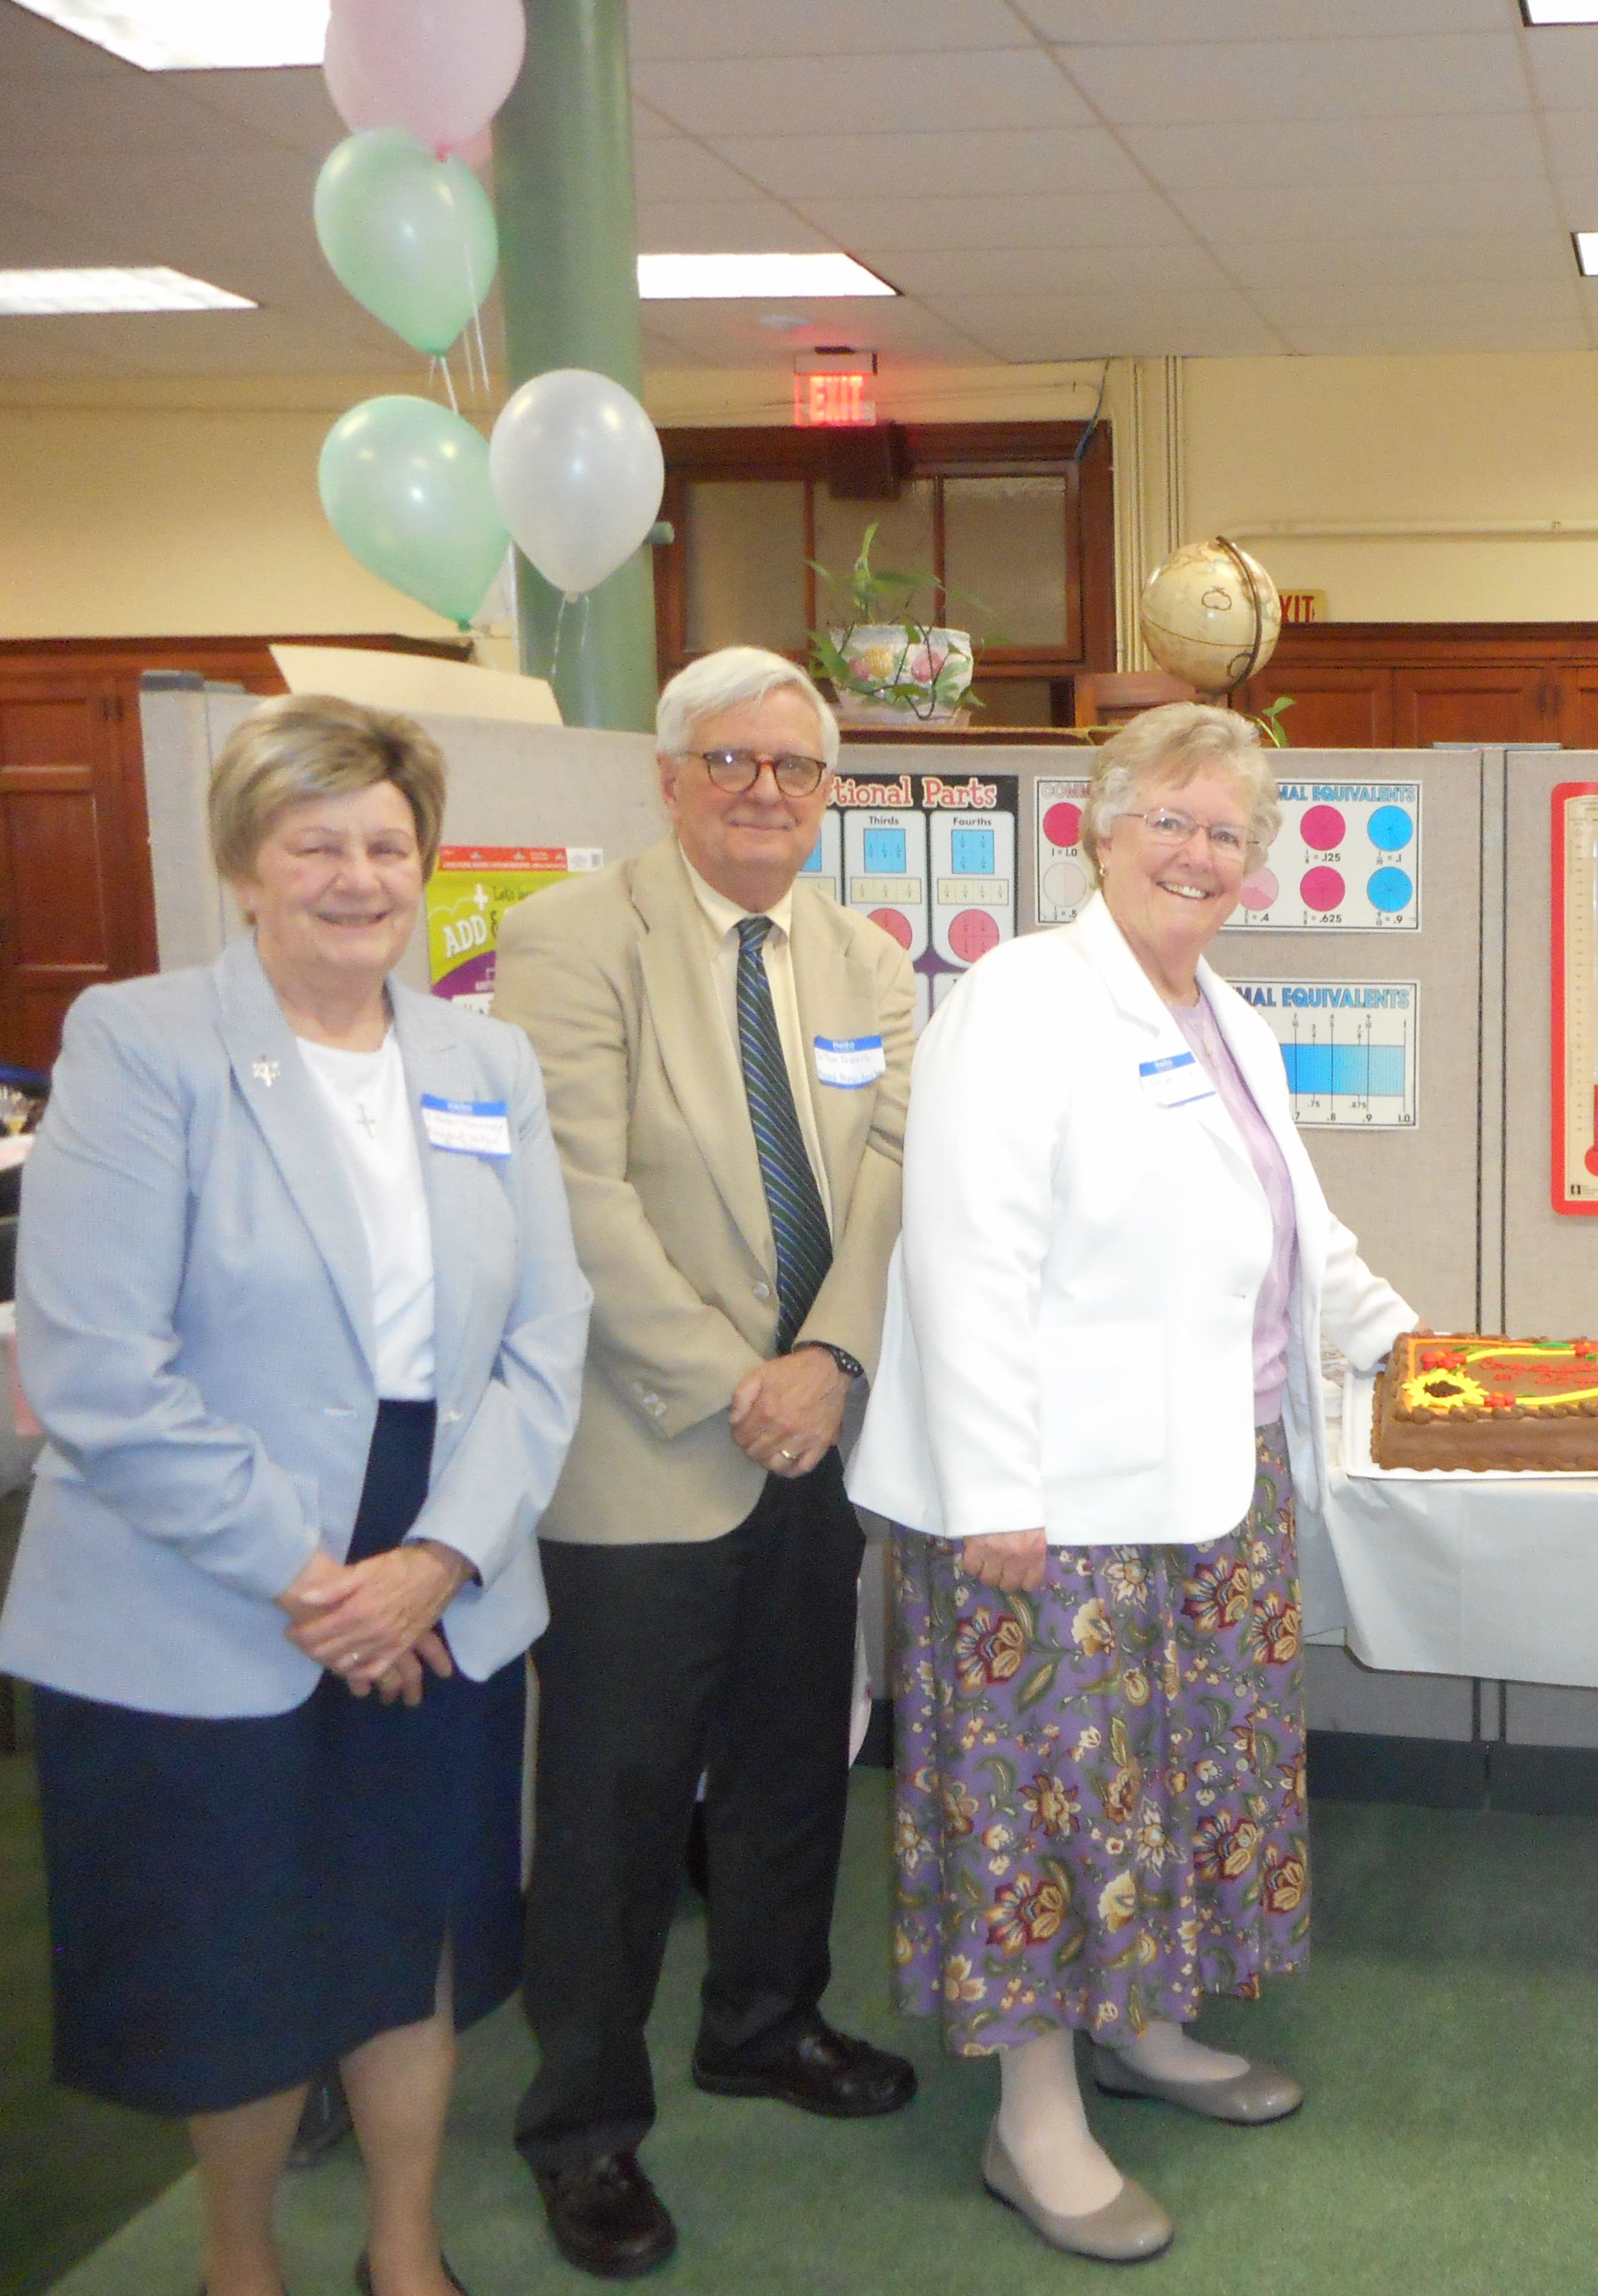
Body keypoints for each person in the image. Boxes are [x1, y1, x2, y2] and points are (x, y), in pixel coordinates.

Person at [0, 696, 590, 2296]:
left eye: (386, 843)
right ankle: (238, 2259)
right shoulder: (139, 1043)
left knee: (422, 1941)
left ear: (425, 864)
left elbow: (546, 1337)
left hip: (441, 1555)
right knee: (239, 1961)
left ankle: (405, 2246)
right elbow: (100, 1369)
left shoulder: (486, 1057)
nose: (355, 875)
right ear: (245, 867)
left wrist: (440, 1558)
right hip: (209, 1572)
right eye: (313, 842)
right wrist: (322, 1583)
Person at [850, 702, 1420, 2264]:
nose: (1198, 852)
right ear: (1095, 833)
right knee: (1045, 1798)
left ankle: (1147, 2031)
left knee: (1177, 1778)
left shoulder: (1223, 1013)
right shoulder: (1025, 999)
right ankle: (1034, 2124)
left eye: (1227, 830)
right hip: (1052, 1504)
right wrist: (994, 1498)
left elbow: (1299, 1233)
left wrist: (1423, 1349)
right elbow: (963, 1257)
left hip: (1217, 1479)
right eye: (1168, 820)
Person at [491, 648, 918, 2279]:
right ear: (665, 777)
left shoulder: (864, 958)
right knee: (606, 1813)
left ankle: (764, 2020)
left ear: (829, 793)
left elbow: (891, 1178)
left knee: (795, 1760)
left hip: (813, 1446)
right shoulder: (570, 942)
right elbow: (577, 1202)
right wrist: (740, 1382)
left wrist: (833, 1365)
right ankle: (584, 2126)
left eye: (796, 769)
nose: (764, 792)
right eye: (730, 762)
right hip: (639, 1451)